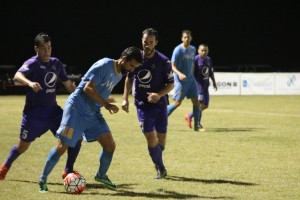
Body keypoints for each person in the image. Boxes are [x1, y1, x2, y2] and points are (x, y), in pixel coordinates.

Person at [38, 46, 143, 192]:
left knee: (110, 145)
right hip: (76, 109)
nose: (132, 69)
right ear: (123, 59)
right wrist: (106, 104)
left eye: (135, 67)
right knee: (62, 146)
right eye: (131, 65)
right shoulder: (104, 65)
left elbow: (101, 90)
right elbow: (88, 88)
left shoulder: (119, 75)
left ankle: (101, 175)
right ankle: (42, 179)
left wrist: (107, 100)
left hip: (93, 112)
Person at [0, 32, 81, 181]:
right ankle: (4, 167)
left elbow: (69, 85)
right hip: (34, 115)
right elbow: (17, 76)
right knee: (23, 146)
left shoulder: (56, 63)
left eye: (49, 47)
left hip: (53, 112)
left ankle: (68, 170)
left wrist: (85, 96)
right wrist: (30, 83)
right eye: (43, 48)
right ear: (36, 49)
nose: (47, 51)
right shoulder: (32, 63)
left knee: (75, 137)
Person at [122, 28, 174, 179]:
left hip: (160, 105)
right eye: (145, 42)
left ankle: (157, 158)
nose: (148, 45)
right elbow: (129, 78)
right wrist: (125, 98)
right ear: (142, 41)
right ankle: (161, 168)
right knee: (151, 138)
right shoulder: (136, 58)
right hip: (143, 106)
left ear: (156, 43)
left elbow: (171, 84)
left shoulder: (164, 61)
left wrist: (158, 95)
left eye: (151, 42)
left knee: (161, 140)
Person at [167, 30, 201, 131]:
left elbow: (192, 64)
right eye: (185, 37)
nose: (186, 39)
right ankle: (161, 118)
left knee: (196, 102)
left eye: (188, 37)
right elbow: (172, 66)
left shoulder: (193, 49)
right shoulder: (178, 50)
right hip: (180, 81)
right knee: (177, 103)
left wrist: (192, 74)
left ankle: (197, 125)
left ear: (191, 38)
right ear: (182, 38)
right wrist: (180, 74)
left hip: (191, 80)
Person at [184, 44, 217, 131]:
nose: (204, 52)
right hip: (198, 86)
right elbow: (191, 73)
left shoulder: (209, 59)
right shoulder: (195, 59)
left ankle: (189, 116)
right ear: (198, 51)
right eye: (202, 50)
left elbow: (210, 72)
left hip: (206, 86)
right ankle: (198, 124)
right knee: (200, 104)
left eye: (205, 50)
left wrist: (214, 82)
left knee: (205, 105)